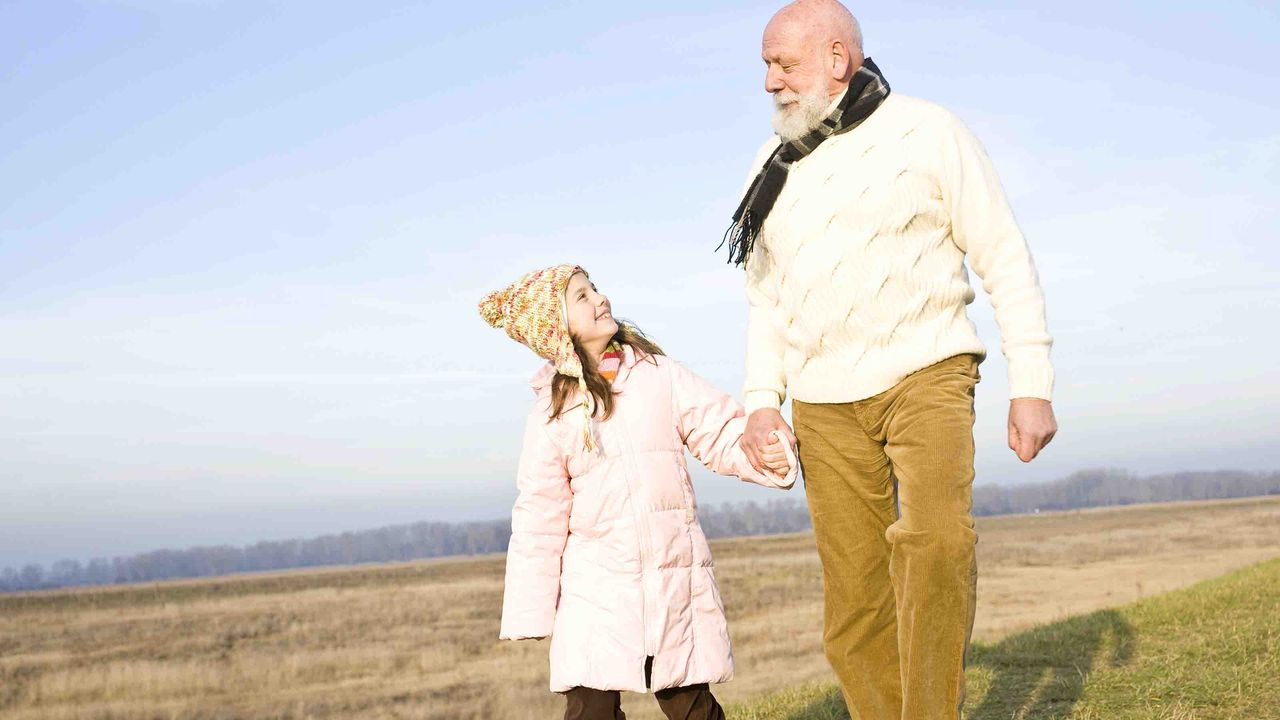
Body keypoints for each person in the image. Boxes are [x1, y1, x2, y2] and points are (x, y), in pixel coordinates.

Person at [723, 2, 1059, 718]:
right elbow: (767, 301)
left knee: (935, 544)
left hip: (927, 371)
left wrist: (1031, 382)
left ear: (837, 60)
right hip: (822, 400)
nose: (769, 82)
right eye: (765, 66)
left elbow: (1002, 252)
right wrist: (760, 402)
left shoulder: (928, 130)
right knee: (854, 599)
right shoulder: (770, 166)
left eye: (783, 64)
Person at [480, 264, 797, 720]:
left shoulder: (658, 375)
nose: (600, 299)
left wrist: (765, 453)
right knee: (591, 711)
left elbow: (719, 430)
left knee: (692, 707)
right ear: (556, 328)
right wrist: (530, 609)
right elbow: (539, 515)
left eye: (596, 289)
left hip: (671, 577)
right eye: (582, 297)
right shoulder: (551, 415)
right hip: (595, 593)